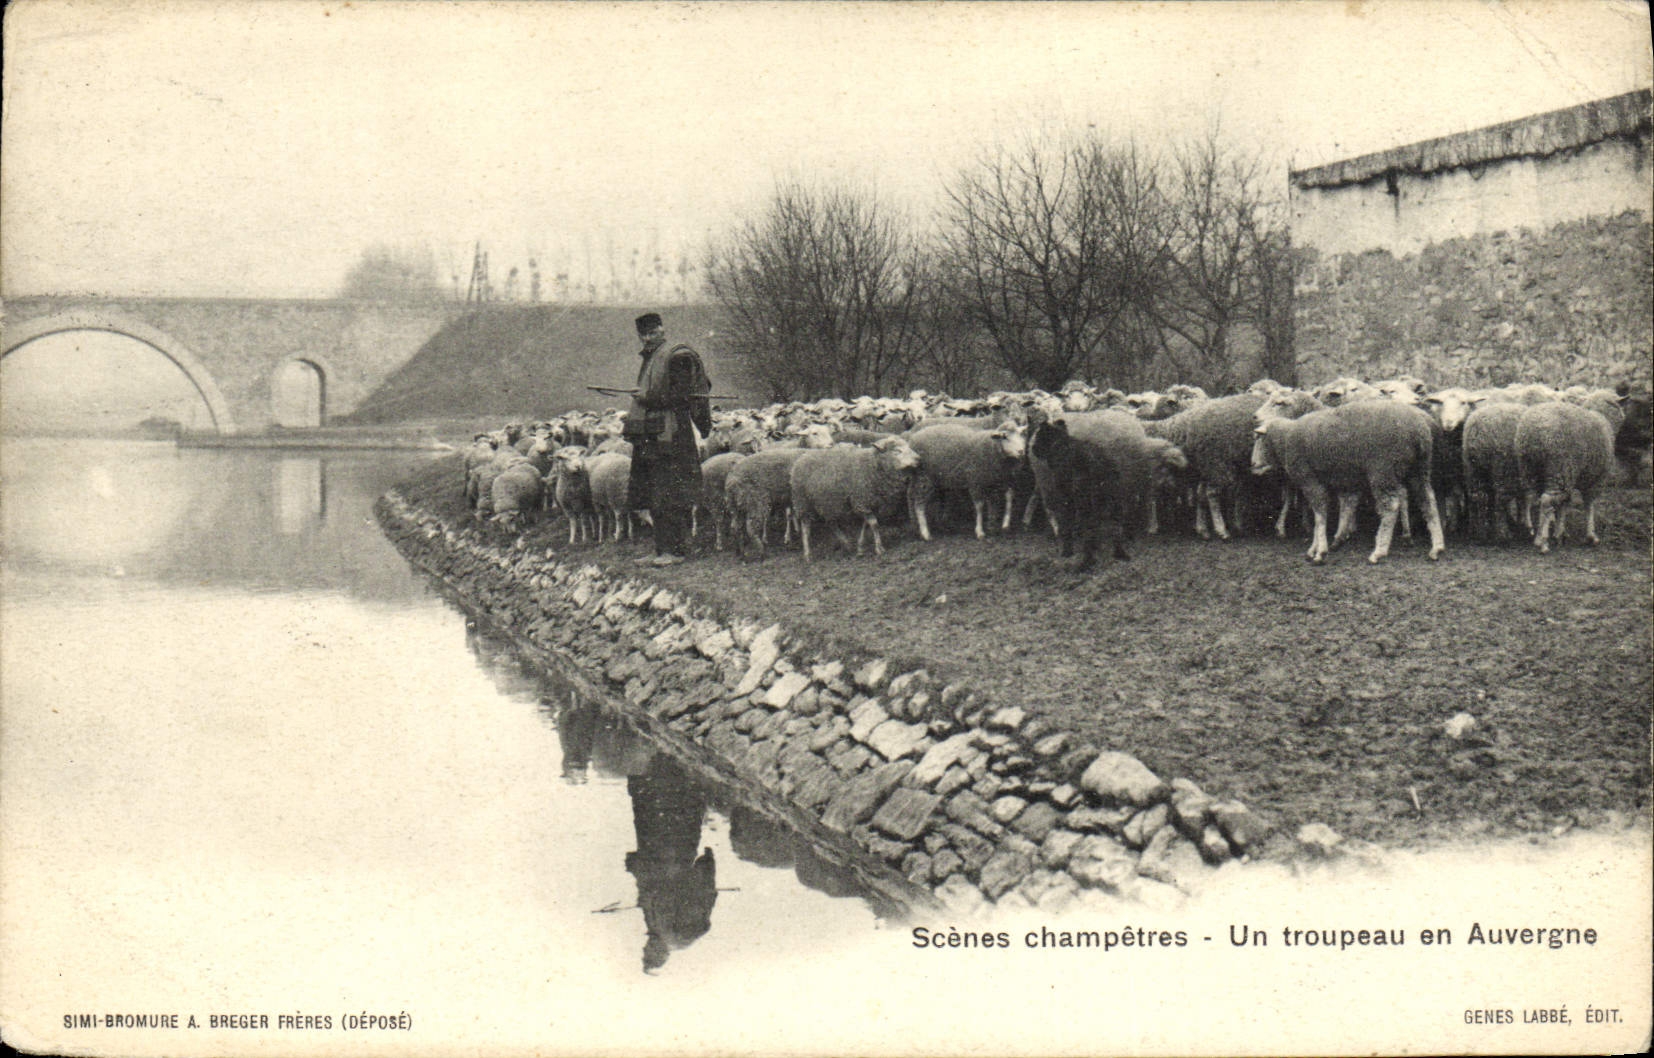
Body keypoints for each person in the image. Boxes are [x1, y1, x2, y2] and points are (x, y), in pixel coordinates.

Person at [622, 313, 712, 565]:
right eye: (644, 335)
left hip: (673, 435)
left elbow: (683, 396)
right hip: (651, 435)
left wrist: (647, 397)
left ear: (662, 330)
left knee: (671, 492)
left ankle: (676, 551)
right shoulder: (652, 357)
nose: (649, 338)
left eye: (653, 332)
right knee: (653, 492)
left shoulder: (678, 356)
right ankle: (661, 550)